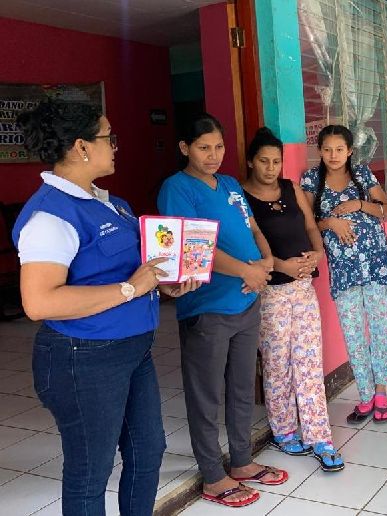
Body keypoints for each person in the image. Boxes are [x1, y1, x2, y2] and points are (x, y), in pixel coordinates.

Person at [12, 100, 199, 516]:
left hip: (133, 351)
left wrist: (161, 285)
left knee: (148, 451)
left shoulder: (109, 203)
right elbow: (39, 302)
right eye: (108, 138)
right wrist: (131, 288)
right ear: (81, 146)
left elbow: (131, 273)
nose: (115, 146)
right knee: (90, 472)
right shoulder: (51, 216)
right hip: (83, 358)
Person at [157, 113, 285, 508]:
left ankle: (242, 461)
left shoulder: (229, 184)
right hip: (208, 308)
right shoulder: (177, 188)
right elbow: (194, 248)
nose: (213, 155)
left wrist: (265, 262)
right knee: (207, 396)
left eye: (218, 147)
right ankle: (213, 475)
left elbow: (253, 228)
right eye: (203, 148)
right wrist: (248, 270)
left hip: (246, 300)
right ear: (185, 148)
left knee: (242, 388)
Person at [241, 127, 344, 472]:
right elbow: (246, 242)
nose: (271, 168)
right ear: (251, 162)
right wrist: (280, 265)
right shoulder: (241, 196)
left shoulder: (291, 188)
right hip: (270, 292)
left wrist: (318, 253)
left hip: (302, 289)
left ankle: (320, 437)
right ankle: (283, 431)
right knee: (276, 363)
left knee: (309, 361)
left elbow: (311, 226)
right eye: (264, 161)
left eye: (276, 161)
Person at [300, 125, 387, 424]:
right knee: (353, 333)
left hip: (376, 265)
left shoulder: (362, 175)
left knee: (380, 329)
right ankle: (365, 396)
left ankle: (381, 393)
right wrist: (330, 223)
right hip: (344, 271)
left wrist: (359, 204)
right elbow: (306, 222)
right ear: (320, 151)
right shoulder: (311, 180)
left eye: (339, 149)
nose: (333, 155)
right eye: (327, 149)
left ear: (350, 151)